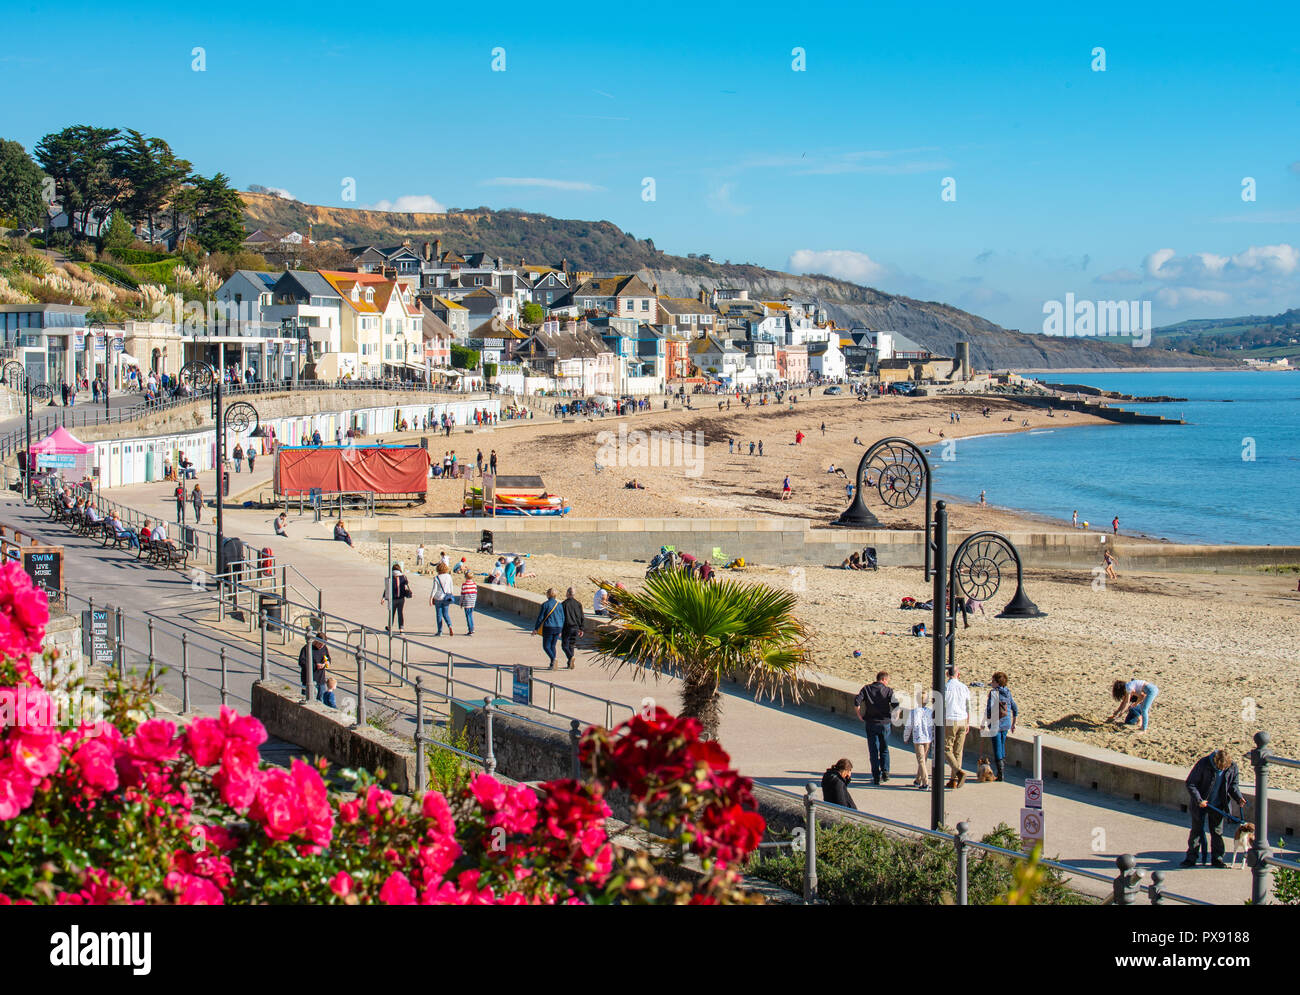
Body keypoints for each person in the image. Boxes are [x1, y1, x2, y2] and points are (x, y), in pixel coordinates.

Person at [1180, 748, 1248, 869]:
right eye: (1219, 768)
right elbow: (1191, 783)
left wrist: (1238, 798)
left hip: (1218, 805)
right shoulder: (1204, 763)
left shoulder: (1232, 767)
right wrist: (1199, 800)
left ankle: (1217, 859)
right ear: (1215, 761)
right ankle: (1191, 858)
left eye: (1224, 768)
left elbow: (1233, 785)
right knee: (1197, 830)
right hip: (1201, 803)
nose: (1221, 770)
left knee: (1217, 832)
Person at [855, 671, 898, 786]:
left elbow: (857, 702)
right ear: (884, 680)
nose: (887, 683)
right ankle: (885, 772)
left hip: (871, 723)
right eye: (887, 681)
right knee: (884, 748)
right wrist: (895, 716)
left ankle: (876, 775)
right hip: (885, 723)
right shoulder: (888, 690)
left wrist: (859, 715)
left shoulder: (866, 689)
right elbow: (896, 705)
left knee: (873, 750)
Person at [982, 672, 1018, 782]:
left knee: (997, 748)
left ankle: (1000, 774)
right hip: (1006, 723)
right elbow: (1014, 707)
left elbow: (988, 710)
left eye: (993, 681)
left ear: (997, 683)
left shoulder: (993, 693)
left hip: (996, 725)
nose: (991, 683)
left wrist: (984, 722)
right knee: (1002, 746)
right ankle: (1001, 771)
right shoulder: (1007, 692)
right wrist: (1014, 723)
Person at [943, 665, 971, 789]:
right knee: (958, 751)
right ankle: (953, 780)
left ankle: (958, 772)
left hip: (951, 719)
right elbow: (968, 706)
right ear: (958, 674)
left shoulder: (945, 687)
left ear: (947, 675)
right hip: (963, 719)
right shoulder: (964, 687)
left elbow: (941, 706)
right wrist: (968, 722)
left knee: (946, 748)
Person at [903, 695, 933, 789]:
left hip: (918, 739)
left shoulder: (913, 712)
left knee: (921, 761)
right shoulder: (930, 712)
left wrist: (905, 738)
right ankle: (918, 780)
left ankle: (925, 783)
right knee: (923, 761)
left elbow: (908, 727)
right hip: (928, 739)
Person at [534, 588, 565, 669]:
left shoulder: (545, 604)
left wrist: (536, 628)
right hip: (558, 627)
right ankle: (552, 664)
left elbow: (540, 618)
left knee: (546, 646)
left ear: (548, 594)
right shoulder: (559, 604)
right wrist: (561, 629)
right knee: (553, 646)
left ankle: (553, 659)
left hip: (549, 627)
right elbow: (562, 617)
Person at [382, 562, 413, 633]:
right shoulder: (403, 577)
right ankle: (401, 628)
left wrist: (383, 598)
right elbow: (406, 584)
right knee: (400, 613)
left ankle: (390, 627)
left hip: (393, 599)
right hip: (401, 598)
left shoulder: (390, 578)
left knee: (391, 613)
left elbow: (387, 588)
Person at [298, 635, 330, 700]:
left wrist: (326, 663)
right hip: (308, 679)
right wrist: (315, 666)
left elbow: (326, 657)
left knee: (321, 699)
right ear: (316, 641)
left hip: (321, 679)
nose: (321, 646)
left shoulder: (324, 649)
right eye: (320, 644)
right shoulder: (307, 648)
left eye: (323, 645)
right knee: (306, 698)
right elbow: (301, 662)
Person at [560, 587, 585, 669]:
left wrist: (560, 630)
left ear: (567, 593)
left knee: (564, 646)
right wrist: (581, 628)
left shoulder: (564, 604)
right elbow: (582, 617)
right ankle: (569, 663)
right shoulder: (578, 604)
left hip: (567, 627)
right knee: (571, 645)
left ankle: (570, 658)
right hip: (576, 627)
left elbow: (561, 618)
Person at [430, 563, 455, 636]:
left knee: (439, 615)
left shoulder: (436, 578)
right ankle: (450, 625)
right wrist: (451, 594)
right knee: (446, 613)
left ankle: (440, 631)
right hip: (447, 597)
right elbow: (451, 587)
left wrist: (431, 598)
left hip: (438, 597)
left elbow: (434, 589)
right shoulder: (449, 576)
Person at [459, 572, 477, 636]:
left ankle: (470, 629)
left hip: (467, 602)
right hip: (472, 602)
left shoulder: (464, 585)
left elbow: (462, 595)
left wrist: (461, 603)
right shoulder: (474, 584)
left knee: (468, 616)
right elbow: (475, 593)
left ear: (465, 577)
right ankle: (472, 628)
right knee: (471, 615)